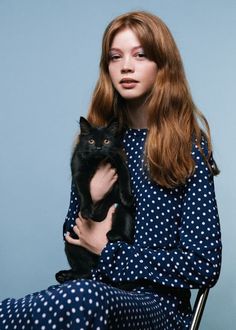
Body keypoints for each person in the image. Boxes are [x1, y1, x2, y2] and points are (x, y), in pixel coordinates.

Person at [0, 10, 222, 330]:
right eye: (115, 57)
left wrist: (110, 251)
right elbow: (74, 234)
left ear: (163, 65)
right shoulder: (99, 143)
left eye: (140, 55)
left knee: (82, 298)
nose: (126, 66)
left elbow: (203, 266)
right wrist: (91, 195)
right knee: (11, 310)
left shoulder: (188, 148)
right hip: (91, 288)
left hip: (157, 307)